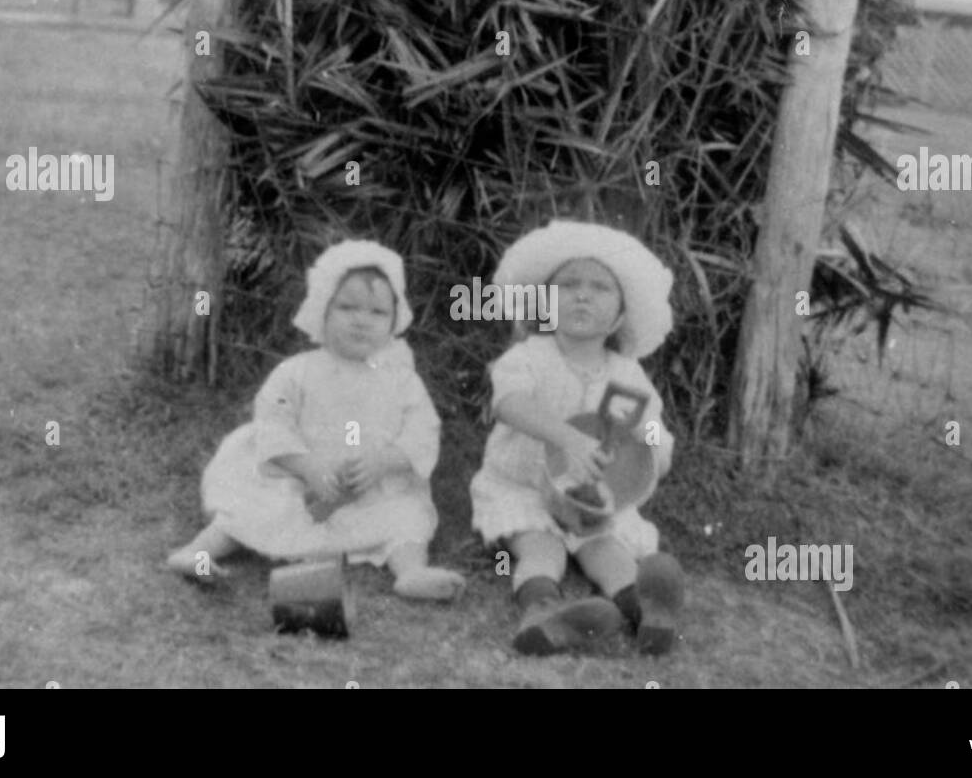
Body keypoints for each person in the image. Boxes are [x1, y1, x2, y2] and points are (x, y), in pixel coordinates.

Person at [167, 240, 464, 602]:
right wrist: (307, 468)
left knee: (407, 517)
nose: (361, 320)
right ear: (322, 310)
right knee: (254, 508)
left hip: (370, 489)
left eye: (377, 312)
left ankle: (411, 572)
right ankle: (197, 553)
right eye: (347, 307)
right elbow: (272, 424)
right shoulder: (297, 371)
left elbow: (422, 433)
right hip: (299, 483)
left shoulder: (402, 380)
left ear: (394, 321)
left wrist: (383, 462)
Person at [470, 219, 686, 655]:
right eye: (568, 284)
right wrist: (567, 438)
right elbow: (510, 404)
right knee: (539, 544)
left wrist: (654, 452)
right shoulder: (529, 357)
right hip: (525, 488)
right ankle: (544, 611)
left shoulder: (626, 375)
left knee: (607, 548)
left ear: (622, 315)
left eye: (600, 288)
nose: (582, 294)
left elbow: (650, 426)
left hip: (594, 501)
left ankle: (644, 608)